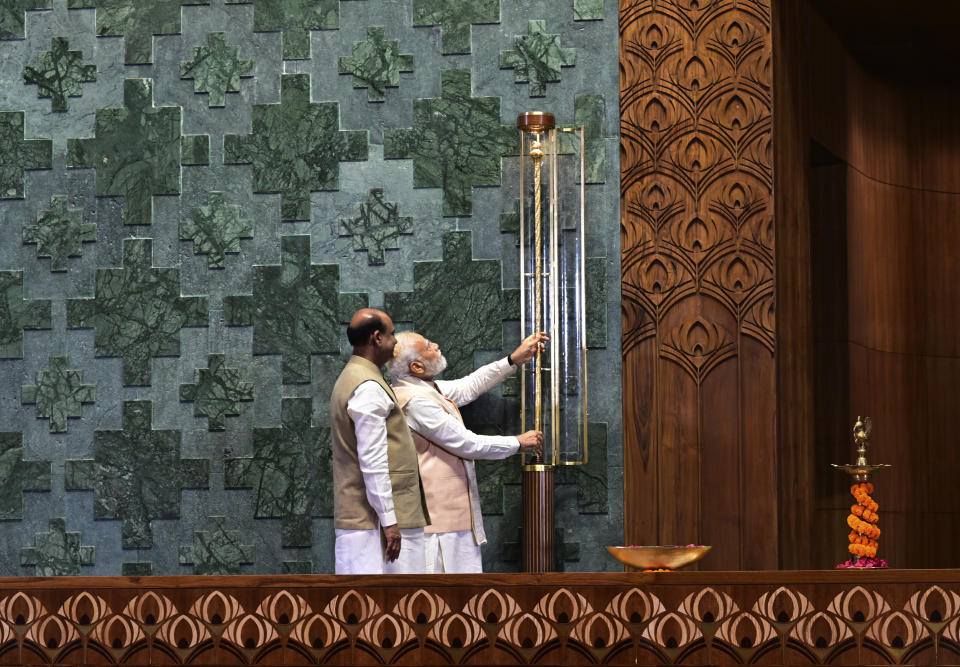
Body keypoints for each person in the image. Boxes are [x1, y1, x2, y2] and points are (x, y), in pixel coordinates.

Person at [386, 331, 547, 573]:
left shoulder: (426, 388)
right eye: (429, 346)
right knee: (446, 597)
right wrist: (517, 443)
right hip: (438, 522)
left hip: (447, 517)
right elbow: (466, 444)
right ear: (417, 366)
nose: (437, 345)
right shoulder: (416, 401)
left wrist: (513, 360)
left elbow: (469, 386)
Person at [330, 308, 429, 574]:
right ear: (377, 338)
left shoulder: (358, 377)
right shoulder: (367, 386)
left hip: (370, 527)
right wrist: (389, 522)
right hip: (374, 530)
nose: (396, 341)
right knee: (390, 611)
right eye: (392, 334)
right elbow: (373, 460)